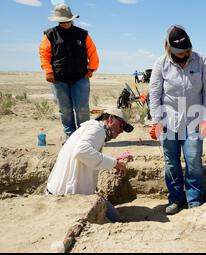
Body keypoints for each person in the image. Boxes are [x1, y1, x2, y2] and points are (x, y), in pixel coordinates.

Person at [149, 25, 206, 215]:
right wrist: (156, 121)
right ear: (169, 48)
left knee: (193, 158)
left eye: (186, 51)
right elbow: (154, 94)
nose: (183, 55)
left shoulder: (201, 60)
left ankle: (194, 199)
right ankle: (176, 198)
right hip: (168, 120)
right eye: (179, 53)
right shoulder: (160, 64)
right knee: (171, 161)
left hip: (194, 120)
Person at [46, 108, 134, 223]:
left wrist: (114, 161)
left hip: (65, 192)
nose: (121, 131)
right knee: (113, 221)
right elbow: (81, 151)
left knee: (115, 216)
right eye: (121, 125)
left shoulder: (93, 129)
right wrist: (114, 163)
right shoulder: (97, 129)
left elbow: (88, 154)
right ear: (110, 119)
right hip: (65, 197)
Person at [39, 4, 99, 139]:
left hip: (80, 78)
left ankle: (84, 136)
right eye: (62, 21)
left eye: (67, 20)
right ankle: (70, 136)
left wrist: (91, 68)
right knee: (65, 110)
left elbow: (92, 52)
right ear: (58, 21)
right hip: (59, 79)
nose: (65, 23)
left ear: (71, 19)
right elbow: (44, 54)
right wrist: (48, 72)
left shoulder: (82, 34)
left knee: (82, 108)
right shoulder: (50, 35)